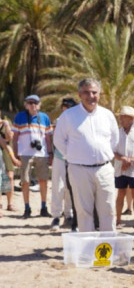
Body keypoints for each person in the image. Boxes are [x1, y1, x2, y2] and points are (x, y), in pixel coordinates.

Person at [53, 78, 119, 232]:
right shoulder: (68, 116)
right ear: (79, 94)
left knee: (108, 210)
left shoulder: (107, 115)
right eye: (86, 92)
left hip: (104, 169)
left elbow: (114, 140)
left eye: (94, 92)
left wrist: (101, 154)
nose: (91, 96)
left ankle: (107, 248)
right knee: (84, 212)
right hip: (79, 170)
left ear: (99, 94)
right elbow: (58, 140)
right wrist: (75, 156)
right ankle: (88, 251)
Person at [12, 94, 54, 218]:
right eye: (30, 102)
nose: (33, 105)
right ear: (26, 105)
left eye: (35, 103)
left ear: (39, 105)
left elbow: (48, 137)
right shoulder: (19, 117)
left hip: (42, 154)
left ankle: (43, 207)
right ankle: (27, 208)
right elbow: (15, 138)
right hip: (25, 154)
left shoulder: (44, 117)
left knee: (43, 181)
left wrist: (50, 153)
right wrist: (15, 154)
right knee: (25, 181)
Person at [113, 106, 134, 229]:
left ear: (131, 119)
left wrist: (132, 160)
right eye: (120, 116)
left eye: (123, 117)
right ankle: (118, 219)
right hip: (120, 167)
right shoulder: (116, 132)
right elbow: (112, 150)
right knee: (121, 192)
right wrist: (123, 159)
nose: (121, 119)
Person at [50, 97, 78, 231]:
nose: (65, 108)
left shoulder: (78, 120)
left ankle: (69, 214)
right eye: (64, 105)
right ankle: (56, 216)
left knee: (70, 187)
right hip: (60, 157)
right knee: (58, 186)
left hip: (75, 159)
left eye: (68, 105)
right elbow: (56, 140)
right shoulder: (59, 121)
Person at [0, 111, 19, 212]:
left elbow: (9, 137)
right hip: (5, 150)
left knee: (10, 177)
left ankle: (10, 203)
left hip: (7, 152)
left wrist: (6, 124)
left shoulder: (6, 123)